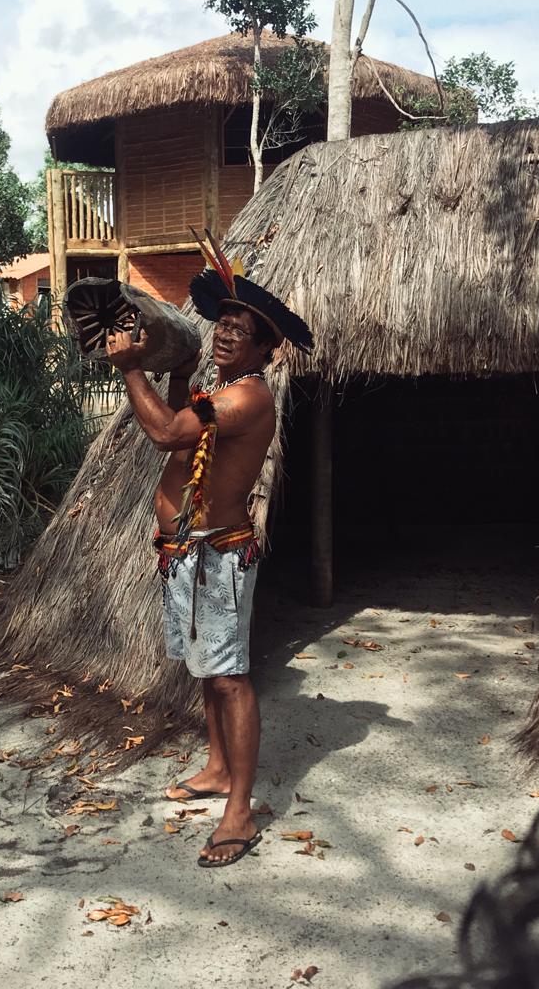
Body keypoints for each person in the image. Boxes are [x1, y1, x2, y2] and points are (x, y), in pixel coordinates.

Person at [106, 232, 312, 868]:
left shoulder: (246, 396)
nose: (225, 334)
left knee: (230, 678)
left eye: (242, 329)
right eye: (222, 321)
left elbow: (168, 434)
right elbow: (182, 423)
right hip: (185, 549)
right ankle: (220, 768)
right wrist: (170, 371)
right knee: (205, 668)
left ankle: (241, 812)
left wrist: (130, 367)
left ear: (264, 351)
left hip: (216, 555)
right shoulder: (216, 390)